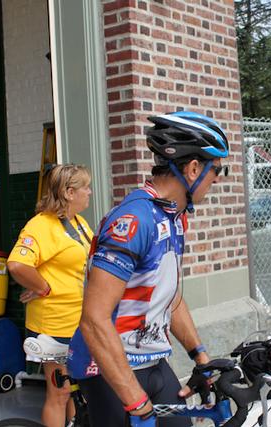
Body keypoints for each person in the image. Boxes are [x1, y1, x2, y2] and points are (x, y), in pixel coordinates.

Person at [67, 111, 230, 427]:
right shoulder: (133, 221)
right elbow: (94, 319)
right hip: (109, 367)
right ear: (194, 168)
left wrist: (201, 357)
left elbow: (170, 298)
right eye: (216, 171)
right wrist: (135, 400)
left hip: (154, 362)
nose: (216, 181)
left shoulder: (173, 217)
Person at [7, 164, 93, 427]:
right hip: (54, 326)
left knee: (77, 391)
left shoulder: (77, 222)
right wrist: (43, 287)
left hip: (79, 322)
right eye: (85, 187)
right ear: (69, 192)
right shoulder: (41, 226)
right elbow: (17, 265)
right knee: (60, 392)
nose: (89, 192)